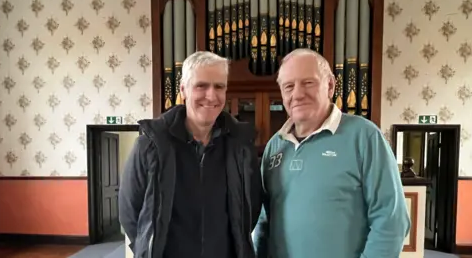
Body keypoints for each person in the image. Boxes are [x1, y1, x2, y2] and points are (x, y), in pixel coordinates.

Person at [253, 48, 410, 258]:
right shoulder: (275, 145)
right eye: (289, 86)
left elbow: (391, 221)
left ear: (330, 85)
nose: (298, 94)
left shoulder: (364, 136)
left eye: (308, 83)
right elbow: (265, 221)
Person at [119, 51, 262, 258]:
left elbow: (251, 207)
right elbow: (129, 211)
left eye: (219, 86)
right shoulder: (151, 144)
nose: (211, 96)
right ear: (183, 89)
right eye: (201, 86)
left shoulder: (240, 146)